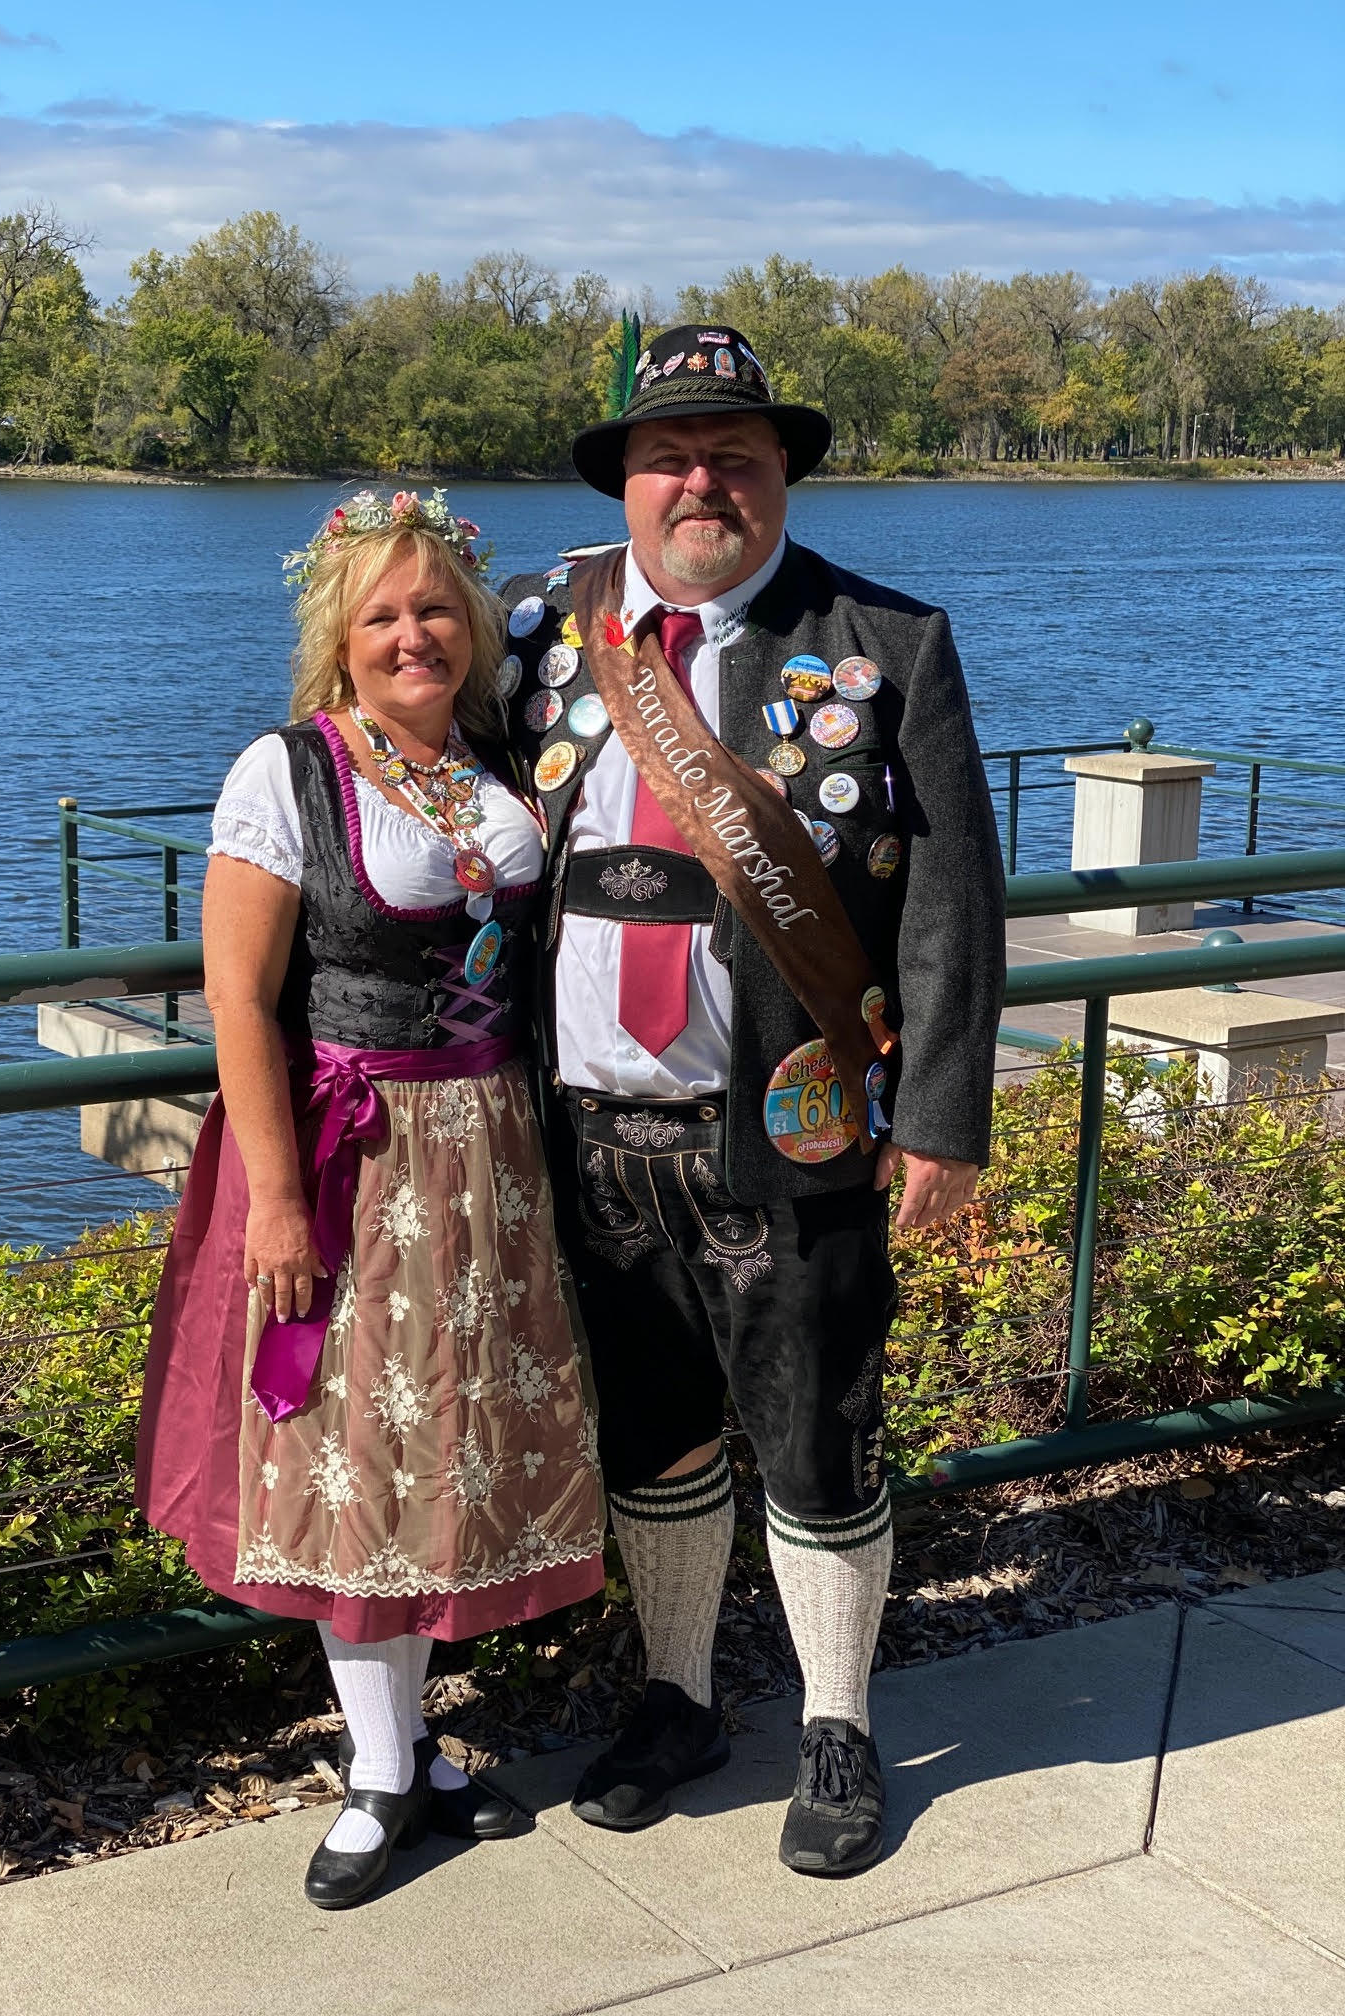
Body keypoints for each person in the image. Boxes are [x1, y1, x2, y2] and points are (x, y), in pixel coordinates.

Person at [495, 325, 1005, 1878]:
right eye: (671, 456)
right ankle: (679, 1699)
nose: (700, 481)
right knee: (654, 1443)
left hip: (793, 1133)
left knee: (816, 1439)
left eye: (735, 455)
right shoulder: (533, 632)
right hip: (591, 1135)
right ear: (627, 482)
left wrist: (942, 1121)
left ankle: (837, 1726)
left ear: (782, 474)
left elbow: (953, 907)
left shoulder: (885, 641)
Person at [135, 489, 604, 1912]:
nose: (414, 633)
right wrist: (277, 1201)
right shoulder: (286, 776)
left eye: (437, 606)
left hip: (497, 1152)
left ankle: (411, 1750)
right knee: (353, 1460)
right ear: (337, 639)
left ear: (472, 621)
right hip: (360, 1160)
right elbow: (234, 997)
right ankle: (381, 1775)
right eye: (383, 614)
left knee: (446, 1447)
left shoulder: (491, 766)